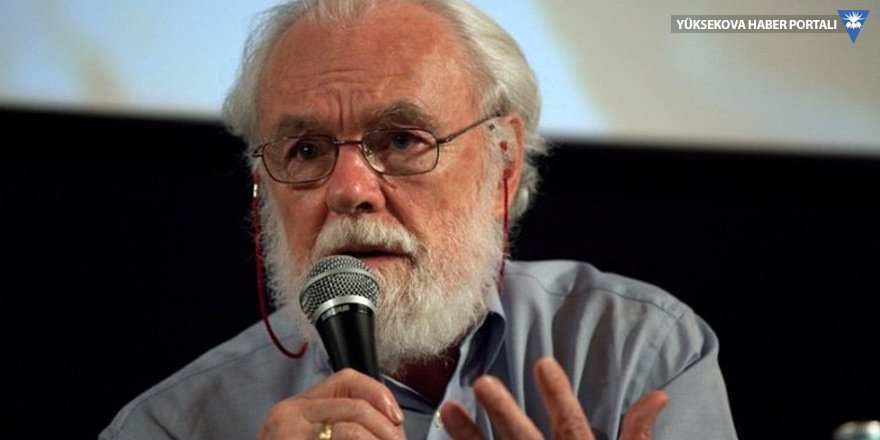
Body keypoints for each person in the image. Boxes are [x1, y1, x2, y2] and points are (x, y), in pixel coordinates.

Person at [100, 0, 738, 439]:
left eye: (402, 140)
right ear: (264, 187)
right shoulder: (171, 427)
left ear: (504, 162)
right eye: (307, 151)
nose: (349, 190)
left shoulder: (638, 353)